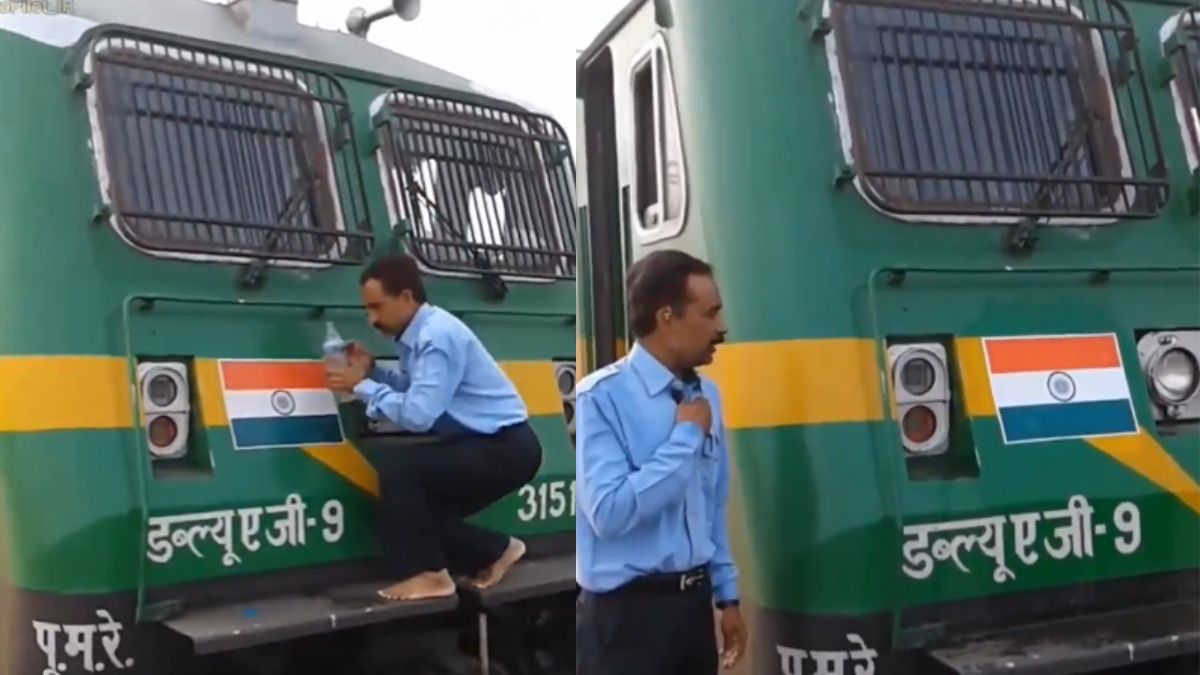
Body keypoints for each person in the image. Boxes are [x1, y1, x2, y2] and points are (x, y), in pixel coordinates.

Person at [325, 252, 542, 602]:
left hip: (503, 447)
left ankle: (430, 576)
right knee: (417, 515)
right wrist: (373, 373)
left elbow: (419, 414)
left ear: (407, 297)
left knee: (400, 472)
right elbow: (421, 390)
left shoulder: (435, 337)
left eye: (377, 308)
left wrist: (360, 386)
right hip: (491, 444)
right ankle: (497, 549)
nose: (371, 319)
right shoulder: (421, 334)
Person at [575, 249, 748, 674]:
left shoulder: (708, 398)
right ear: (667, 316)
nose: (722, 328)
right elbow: (609, 513)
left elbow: (713, 502)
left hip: (691, 611)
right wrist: (685, 437)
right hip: (626, 619)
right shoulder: (600, 398)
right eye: (710, 314)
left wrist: (728, 597)